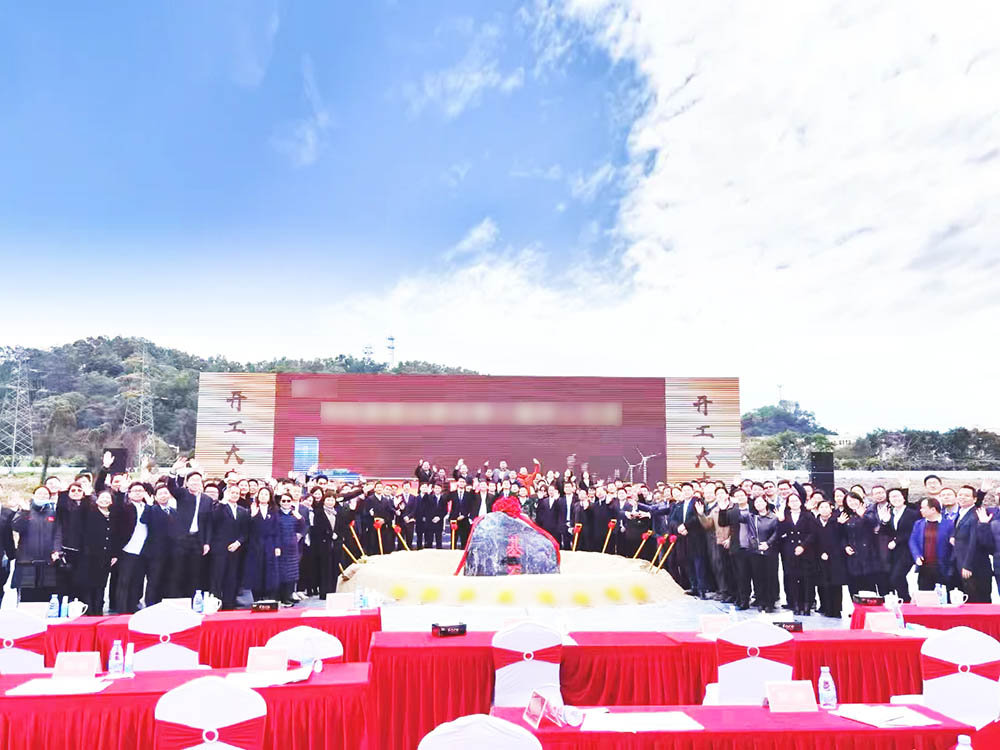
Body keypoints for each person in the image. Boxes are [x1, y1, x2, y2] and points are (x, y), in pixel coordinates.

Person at [167, 460, 213, 599]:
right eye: (192, 480)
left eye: (198, 480)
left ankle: (192, 600)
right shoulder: (182, 494)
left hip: (197, 540)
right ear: (187, 483)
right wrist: (174, 471)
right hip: (181, 539)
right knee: (178, 572)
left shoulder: (207, 500)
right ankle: (176, 600)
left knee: (194, 573)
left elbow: (208, 523)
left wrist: (206, 542)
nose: (195, 483)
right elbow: (171, 487)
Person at [12, 486, 58, 603]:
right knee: (26, 598)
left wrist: (56, 550)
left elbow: (58, 534)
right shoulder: (25, 511)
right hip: (26, 562)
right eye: (39, 493)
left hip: (47, 562)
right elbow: (16, 527)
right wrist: (25, 512)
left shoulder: (53, 513)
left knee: (45, 598)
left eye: (45, 494)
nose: (42, 496)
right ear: (33, 495)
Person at [78, 489, 118, 615]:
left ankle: (98, 611)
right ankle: (89, 611)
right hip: (90, 555)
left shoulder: (113, 516)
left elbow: (115, 537)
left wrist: (114, 554)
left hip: (106, 556)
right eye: (102, 497)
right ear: (96, 499)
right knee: (88, 584)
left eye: (108, 498)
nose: (105, 500)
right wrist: (87, 494)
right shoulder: (90, 512)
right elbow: (83, 507)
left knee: (101, 585)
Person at [209, 486, 249, 610]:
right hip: (219, 547)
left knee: (232, 577)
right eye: (232, 492)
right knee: (217, 576)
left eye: (237, 493)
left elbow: (245, 531)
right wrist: (223, 502)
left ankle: (229, 603)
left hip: (236, 548)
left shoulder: (243, 511)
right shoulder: (218, 507)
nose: (235, 495)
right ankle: (215, 602)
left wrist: (238, 542)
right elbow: (214, 520)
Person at [113, 482, 150, 614]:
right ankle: (122, 610)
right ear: (129, 494)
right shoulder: (126, 507)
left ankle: (133, 607)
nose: (138, 493)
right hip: (128, 548)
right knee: (124, 581)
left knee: (137, 581)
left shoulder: (148, 507)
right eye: (135, 490)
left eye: (140, 490)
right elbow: (116, 509)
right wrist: (120, 493)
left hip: (143, 550)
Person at [777, 491, 816, 616]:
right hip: (790, 550)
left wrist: (803, 546)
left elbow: (813, 533)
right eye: (791, 501)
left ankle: (807, 604)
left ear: (800, 502)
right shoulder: (785, 516)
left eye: (796, 500)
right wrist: (781, 521)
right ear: (788, 504)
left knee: (807, 578)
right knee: (793, 578)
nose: (794, 503)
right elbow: (780, 533)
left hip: (806, 550)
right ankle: (796, 604)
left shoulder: (808, 515)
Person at [952, 485, 992, 603]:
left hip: (975, 566)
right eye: (960, 495)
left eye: (967, 495)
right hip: (961, 562)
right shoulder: (961, 513)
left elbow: (974, 541)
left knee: (978, 601)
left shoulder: (975, 514)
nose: (962, 497)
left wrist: (968, 565)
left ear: (974, 499)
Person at [670, 483, 709, 598]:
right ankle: (694, 587)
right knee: (688, 563)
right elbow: (672, 519)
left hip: (696, 538)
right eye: (684, 490)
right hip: (683, 539)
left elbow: (698, 517)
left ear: (692, 491)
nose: (686, 492)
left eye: (688, 490)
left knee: (699, 564)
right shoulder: (679, 505)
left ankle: (702, 589)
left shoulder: (698, 502)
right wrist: (678, 527)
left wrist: (686, 526)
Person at [141, 483, 176, 606]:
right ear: (155, 497)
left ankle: (164, 605)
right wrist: (149, 505)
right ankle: (150, 605)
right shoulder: (151, 509)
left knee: (167, 580)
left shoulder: (174, 511)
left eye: (165, 493)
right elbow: (143, 520)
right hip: (155, 553)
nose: (163, 496)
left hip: (171, 553)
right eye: (160, 494)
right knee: (153, 581)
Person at [880, 487, 918, 602]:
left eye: (897, 496)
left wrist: (896, 541)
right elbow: (885, 532)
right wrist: (885, 521)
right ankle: (904, 601)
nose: (895, 499)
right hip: (894, 551)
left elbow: (912, 532)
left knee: (897, 577)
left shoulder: (912, 513)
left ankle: (906, 600)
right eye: (892, 497)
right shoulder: (891, 513)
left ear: (903, 498)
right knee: (894, 578)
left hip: (908, 550)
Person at [242, 487, 280, 601]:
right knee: (256, 569)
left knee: (269, 570)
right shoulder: (252, 509)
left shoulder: (274, 511)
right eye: (261, 494)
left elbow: (277, 529)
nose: (263, 496)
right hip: (255, 544)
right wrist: (252, 516)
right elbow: (246, 528)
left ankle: (268, 595)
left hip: (269, 544)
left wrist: (277, 546)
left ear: (270, 497)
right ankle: (256, 596)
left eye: (266, 494)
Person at [909, 497, 954, 592]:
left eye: (923, 508)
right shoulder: (919, 524)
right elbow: (913, 541)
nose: (920, 510)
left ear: (933, 509)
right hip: (924, 566)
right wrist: (917, 556)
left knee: (944, 595)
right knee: (925, 594)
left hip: (943, 566)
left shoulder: (949, 524)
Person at [813, 495, 847, 618]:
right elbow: (814, 540)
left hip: (835, 557)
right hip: (819, 556)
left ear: (831, 508)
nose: (824, 509)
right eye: (821, 507)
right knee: (822, 583)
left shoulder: (836, 521)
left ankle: (836, 609)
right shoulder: (815, 522)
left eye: (826, 507)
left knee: (835, 584)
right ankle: (825, 607)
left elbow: (840, 538)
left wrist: (841, 525)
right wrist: (821, 552)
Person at [840, 491, 878, 596]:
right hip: (852, 555)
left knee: (869, 586)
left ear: (860, 500)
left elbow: (875, 525)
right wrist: (845, 546)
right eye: (849, 501)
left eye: (854, 500)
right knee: (853, 585)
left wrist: (863, 516)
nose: (852, 503)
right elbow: (841, 535)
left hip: (867, 554)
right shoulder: (845, 515)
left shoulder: (869, 511)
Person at [312, 491, 347, 597]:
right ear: (324, 500)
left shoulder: (337, 513)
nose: (330, 502)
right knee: (324, 568)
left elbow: (342, 527)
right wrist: (329, 534)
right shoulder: (319, 513)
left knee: (334, 568)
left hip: (336, 544)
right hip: (324, 544)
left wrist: (338, 536)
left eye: (332, 500)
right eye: (328, 499)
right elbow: (317, 529)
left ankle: (333, 590)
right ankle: (324, 592)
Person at [276, 494, 307, 606]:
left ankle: (289, 595)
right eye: (283, 501)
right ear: (280, 502)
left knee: (292, 573)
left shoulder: (295, 514)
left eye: (288, 501)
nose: (286, 503)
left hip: (293, 547)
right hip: (280, 547)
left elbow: (303, 528)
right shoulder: (276, 514)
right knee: (282, 573)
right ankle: (282, 597)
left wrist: (300, 519)